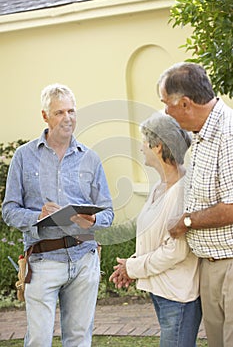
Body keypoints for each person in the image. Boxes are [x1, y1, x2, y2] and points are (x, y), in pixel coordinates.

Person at [2, 83, 114, 347]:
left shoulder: (90, 158)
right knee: (39, 340)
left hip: (84, 257)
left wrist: (95, 220)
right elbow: (8, 210)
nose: (67, 118)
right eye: (60, 112)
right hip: (42, 261)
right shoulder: (24, 157)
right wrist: (37, 216)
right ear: (45, 116)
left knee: (78, 339)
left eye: (71, 111)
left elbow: (108, 211)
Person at [109, 112, 202, 347]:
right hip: (162, 292)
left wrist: (133, 268)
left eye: (144, 142)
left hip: (178, 296)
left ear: (158, 146)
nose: (141, 148)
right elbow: (153, 238)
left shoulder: (183, 190)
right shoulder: (159, 187)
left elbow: (177, 251)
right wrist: (130, 265)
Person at [158, 62, 233, 347]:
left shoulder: (227, 135)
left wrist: (187, 221)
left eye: (167, 104)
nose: (166, 111)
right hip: (211, 266)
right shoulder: (200, 134)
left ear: (185, 103)